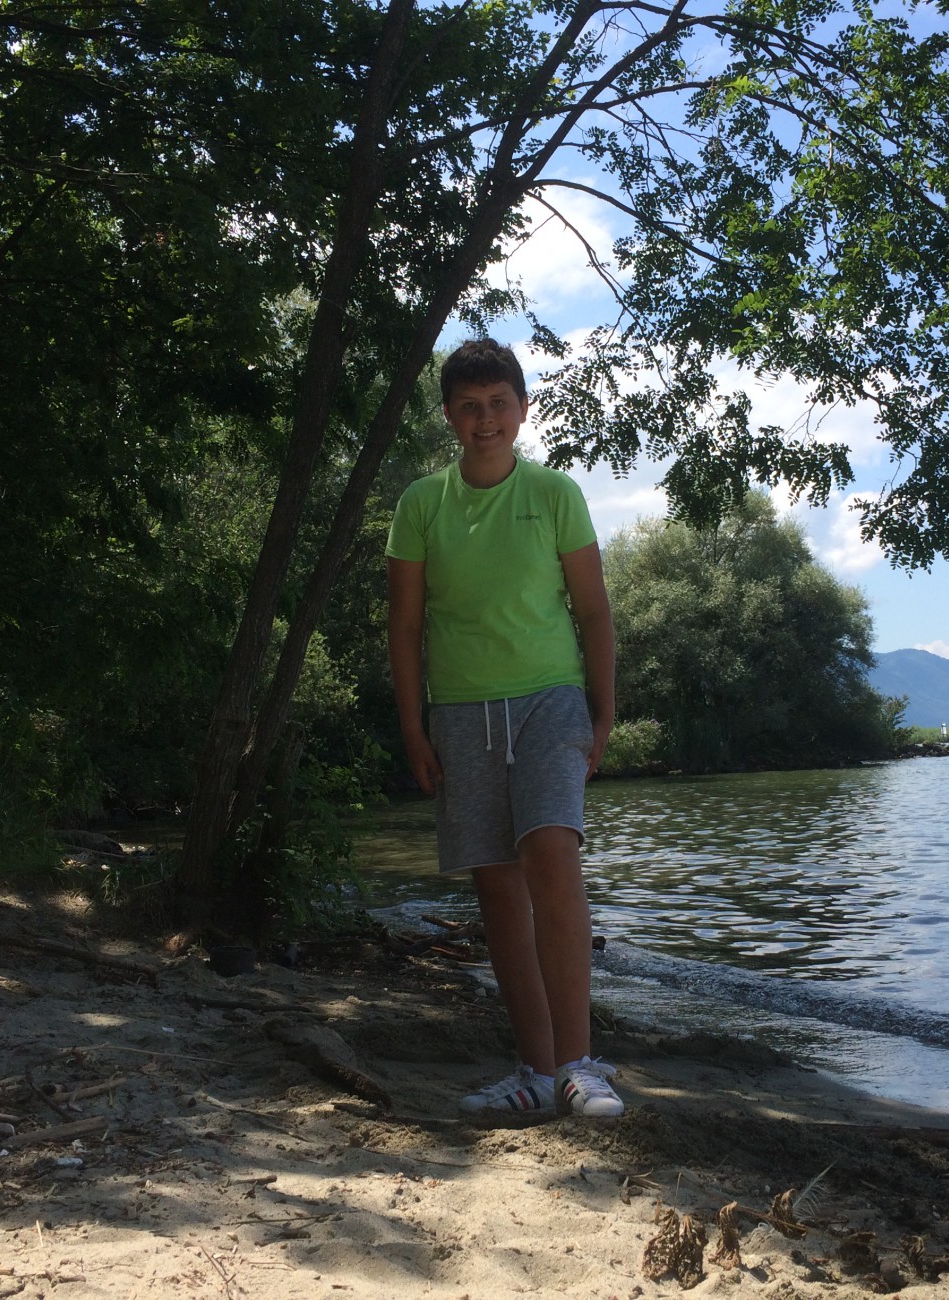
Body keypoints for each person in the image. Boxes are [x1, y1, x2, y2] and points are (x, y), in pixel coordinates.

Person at [385, 338, 623, 1118]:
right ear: (448, 416)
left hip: (550, 700)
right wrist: (413, 727)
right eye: (469, 406)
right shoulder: (421, 504)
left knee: (551, 854)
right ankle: (535, 1071)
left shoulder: (555, 493)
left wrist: (603, 710)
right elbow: (404, 626)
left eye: (498, 403)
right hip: (459, 710)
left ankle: (579, 1067)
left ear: (522, 408)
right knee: (496, 886)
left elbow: (593, 611)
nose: (484, 419)